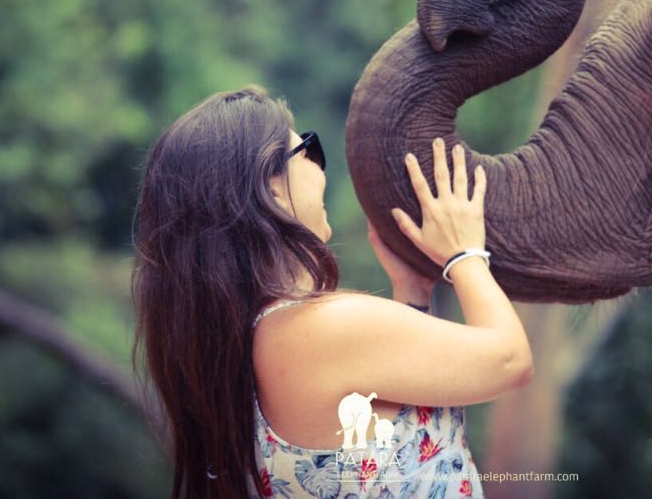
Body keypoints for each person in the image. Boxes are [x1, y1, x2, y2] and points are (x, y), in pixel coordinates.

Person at [131, 85, 533, 499]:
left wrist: (412, 291)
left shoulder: (260, 342)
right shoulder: (316, 329)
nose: (321, 169)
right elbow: (510, 361)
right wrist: (464, 254)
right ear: (269, 190)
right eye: (308, 150)